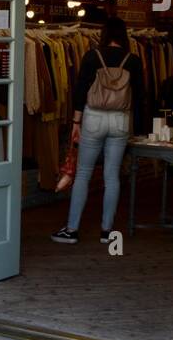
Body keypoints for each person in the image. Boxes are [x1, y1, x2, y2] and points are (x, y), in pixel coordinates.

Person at [52, 17, 143, 244]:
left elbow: (81, 90)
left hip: (93, 118)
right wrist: (140, 128)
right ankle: (106, 232)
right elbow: (142, 96)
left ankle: (71, 230)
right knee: (112, 176)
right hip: (120, 120)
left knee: (83, 173)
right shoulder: (132, 60)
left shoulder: (93, 57)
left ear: (103, 34)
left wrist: (75, 123)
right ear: (123, 35)